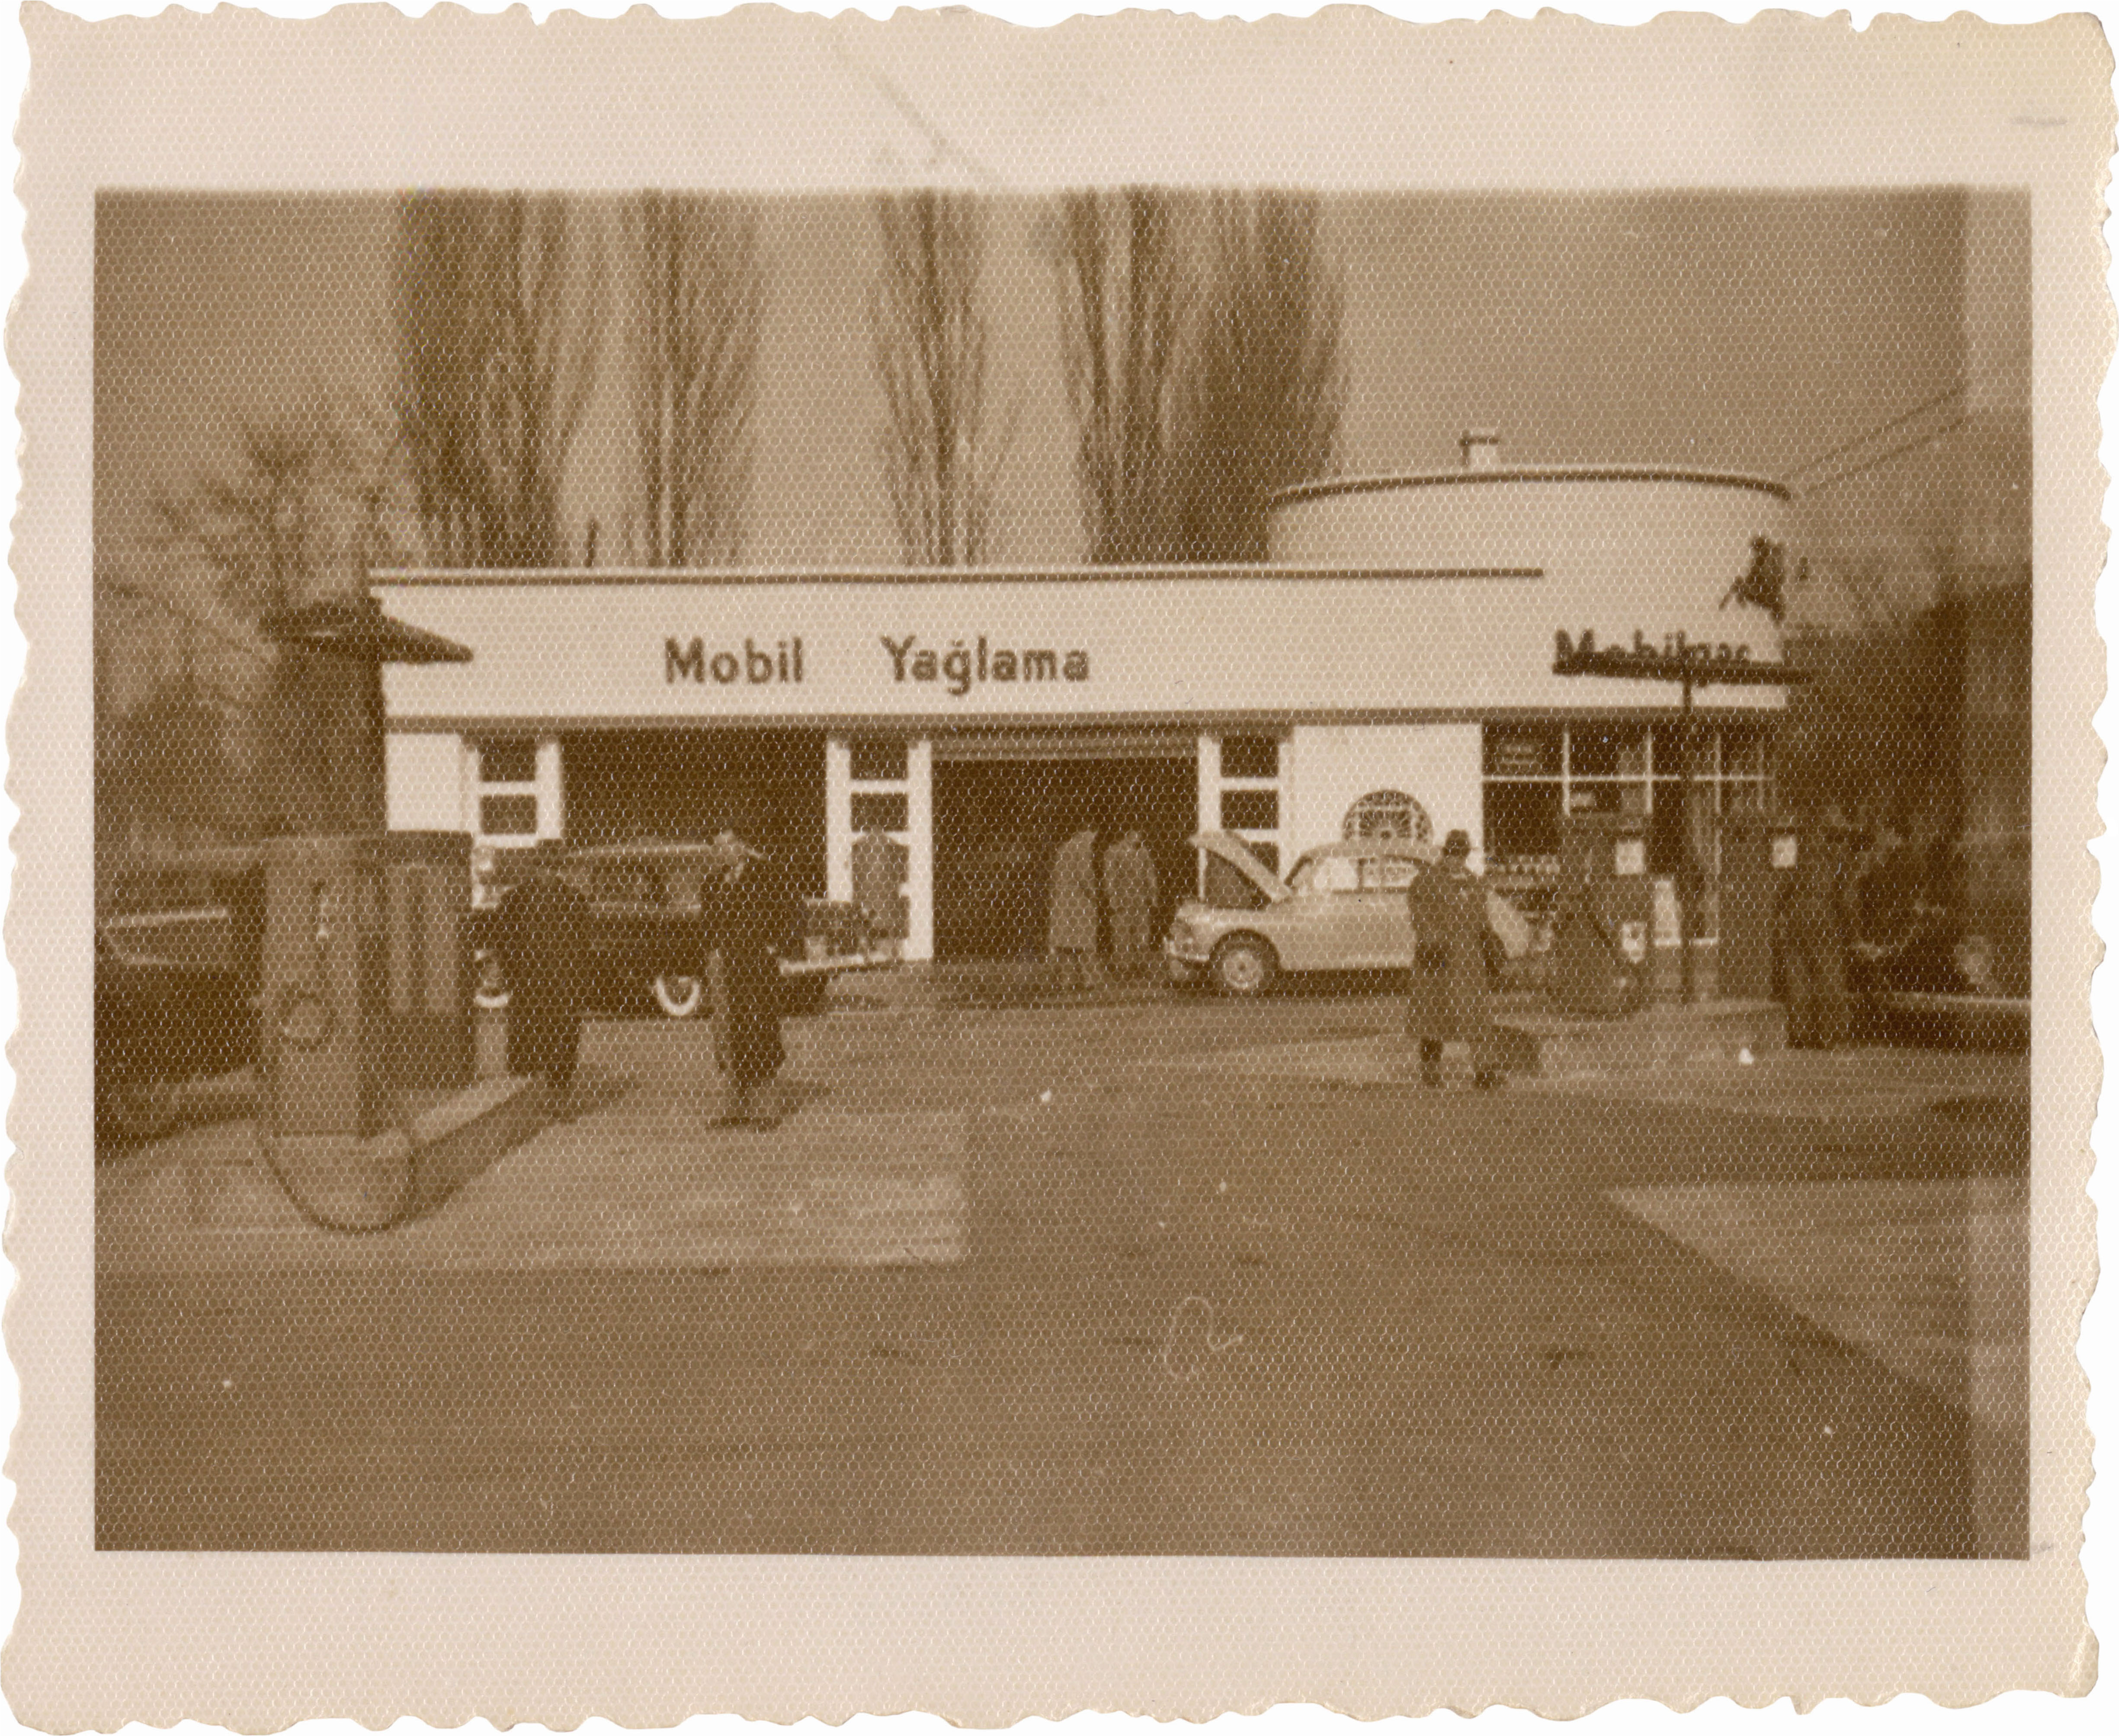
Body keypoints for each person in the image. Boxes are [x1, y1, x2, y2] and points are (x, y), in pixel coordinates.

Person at [699, 830, 801, 1128]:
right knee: (728, 1036)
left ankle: (765, 1110)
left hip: (756, 967)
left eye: (730, 843)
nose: (724, 850)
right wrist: (712, 952)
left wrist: (777, 946)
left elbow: (795, 911)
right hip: (724, 969)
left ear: (743, 845)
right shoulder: (713, 883)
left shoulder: (767, 876)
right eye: (718, 846)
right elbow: (707, 925)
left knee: (759, 1031)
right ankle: (734, 1108)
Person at [1405, 829, 1507, 1089]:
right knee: (1433, 1014)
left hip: (1469, 959)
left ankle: (1485, 1071)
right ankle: (1430, 1070)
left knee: (1478, 1015)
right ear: (1445, 852)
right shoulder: (1426, 881)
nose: (1456, 859)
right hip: (1439, 958)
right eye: (1452, 853)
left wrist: (1490, 943)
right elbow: (1419, 915)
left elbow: (1483, 920)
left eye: (1461, 854)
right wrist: (1431, 939)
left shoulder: (1475, 883)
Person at [496, 857, 594, 1114]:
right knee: (553, 1041)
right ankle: (546, 1100)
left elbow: (504, 944)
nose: (548, 873)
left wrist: (510, 977)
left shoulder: (515, 899)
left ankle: (542, 1101)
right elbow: (585, 946)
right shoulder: (572, 900)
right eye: (546, 868)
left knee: (540, 1041)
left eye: (550, 868)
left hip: (537, 984)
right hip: (552, 985)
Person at [1047, 826, 1103, 990]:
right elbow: (1084, 876)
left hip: (1062, 901)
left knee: (1066, 944)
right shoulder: (1082, 848)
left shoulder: (1063, 848)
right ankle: (1089, 980)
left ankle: (1066, 981)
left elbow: (1054, 877)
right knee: (1085, 943)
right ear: (1087, 832)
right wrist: (1094, 896)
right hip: (1079, 902)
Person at [1101, 830, 1159, 979]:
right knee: (1122, 935)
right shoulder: (1114, 852)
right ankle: (1123, 968)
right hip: (1122, 899)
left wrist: (1153, 896)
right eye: (1135, 833)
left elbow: (1150, 875)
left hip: (1140, 899)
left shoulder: (1143, 853)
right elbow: (1110, 877)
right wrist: (1113, 899)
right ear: (1127, 834)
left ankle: (1142, 966)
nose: (1138, 837)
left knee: (1142, 934)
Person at [850, 824, 910, 961]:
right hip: (878, 894)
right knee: (873, 919)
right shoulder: (887, 846)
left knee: (876, 919)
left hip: (879, 894)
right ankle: (877, 952)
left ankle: (878, 952)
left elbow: (898, 874)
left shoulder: (888, 847)